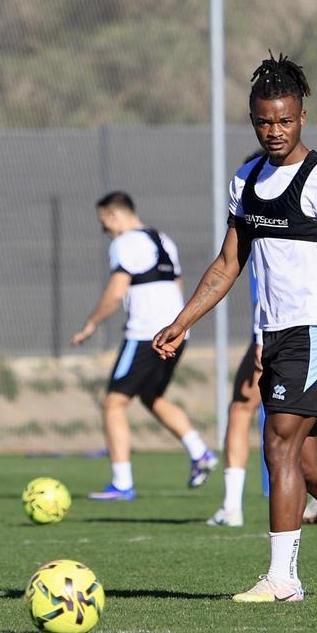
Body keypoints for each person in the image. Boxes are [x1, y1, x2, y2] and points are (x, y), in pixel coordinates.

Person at [153, 52, 317, 601]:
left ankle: (284, 579)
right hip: (275, 335)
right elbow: (229, 263)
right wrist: (182, 322)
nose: (274, 131)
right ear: (253, 120)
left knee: (278, 444)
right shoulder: (246, 180)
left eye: (284, 120)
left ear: (302, 116)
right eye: (264, 121)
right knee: (304, 458)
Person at [71, 192, 217, 501]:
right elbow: (176, 286)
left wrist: (91, 323)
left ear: (114, 216)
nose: (105, 230)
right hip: (176, 332)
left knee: (113, 403)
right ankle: (200, 452)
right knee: (151, 396)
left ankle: (122, 483)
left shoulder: (124, 243)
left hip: (145, 333)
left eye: (103, 223)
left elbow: (115, 292)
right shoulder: (163, 239)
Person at [206, 237, 317, 528]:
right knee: (310, 418)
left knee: (242, 409)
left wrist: (260, 335)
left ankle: (231, 507)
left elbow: (273, 279)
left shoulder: (271, 210)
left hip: (281, 329)